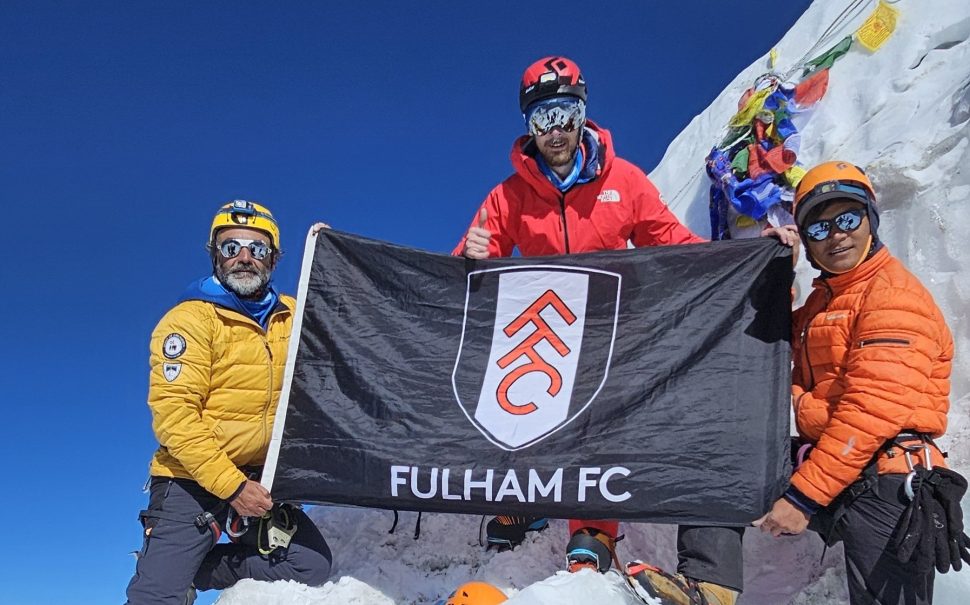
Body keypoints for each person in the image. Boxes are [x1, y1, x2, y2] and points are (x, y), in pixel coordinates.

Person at [455, 56, 798, 605]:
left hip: (611, 331)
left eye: (566, 113)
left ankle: (593, 530)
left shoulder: (625, 181)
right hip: (543, 333)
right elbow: (472, 269)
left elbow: (676, 246)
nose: (556, 131)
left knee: (598, 425)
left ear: (583, 113)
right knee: (520, 403)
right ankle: (523, 496)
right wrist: (471, 253)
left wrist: (753, 258)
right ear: (528, 127)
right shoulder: (507, 196)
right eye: (543, 119)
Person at [754, 161, 955, 604]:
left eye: (847, 219)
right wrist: (773, 272)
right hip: (846, 468)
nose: (836, 235)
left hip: (887, 484)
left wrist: (803, 499)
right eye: (819, 228)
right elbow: (768, 345)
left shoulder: (891, 296)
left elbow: (872, 412)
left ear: (871, 220)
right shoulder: (829, 299)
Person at [126, 200, 333, 604]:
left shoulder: (294, 316)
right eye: (231, 246)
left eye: (257, 249)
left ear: (273, 259)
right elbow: (175, 418)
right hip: (190, 478)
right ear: (214, 254)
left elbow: (346, 325)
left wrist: (333, 260)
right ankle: (169, 571)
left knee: (310, 566)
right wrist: (233, 487)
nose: (243, 257)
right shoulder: (189, 321)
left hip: (262, 479)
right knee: (155, 598)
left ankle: (195, 568)